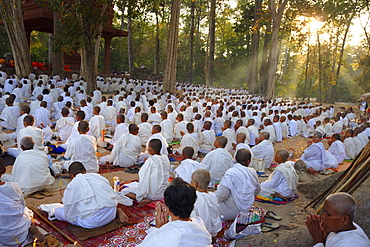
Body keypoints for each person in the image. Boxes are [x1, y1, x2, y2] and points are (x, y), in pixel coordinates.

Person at [137, 178, 212, 247]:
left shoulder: (161, 236)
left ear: (167, 207)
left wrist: (158, 230)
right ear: (192, 204)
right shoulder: (199, 223)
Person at [54, 162, 128, 229]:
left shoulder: (72, 185)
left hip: (91, 223)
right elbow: (110, 193)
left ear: (71, 175)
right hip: (111, 214)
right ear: (85, 170)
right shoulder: (97, 177)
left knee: (57, 211)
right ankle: (117, 210)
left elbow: (69, 209)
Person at [0, 158, 45, 247]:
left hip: (2, 238)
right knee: (25, 210)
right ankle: (31, 227)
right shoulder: (13, 187)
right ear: (4, 170)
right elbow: (22, 206)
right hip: (19, 234)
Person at [305, 192, 369, 247]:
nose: (322, 217)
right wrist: (323, 239)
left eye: (328, 214)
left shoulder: (350, 244)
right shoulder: (344, 227)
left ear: (344, 220)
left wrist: (318, 242)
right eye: (323, 211)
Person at [215, 148, 261, 221]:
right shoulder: (252, 172)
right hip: (246, 208)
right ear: (249, 162)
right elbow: (257, 190)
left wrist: (211, 199)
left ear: (235, 158)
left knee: (206, 206)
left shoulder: (231, 173)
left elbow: (221, 195)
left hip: (232, 211)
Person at [123, 139, 170, 207]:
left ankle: (145, 199)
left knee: (124, 191)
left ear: (153, 150)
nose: (147, 149)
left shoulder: (151, 161)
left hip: (152, 195)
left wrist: (142, 194)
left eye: (149, 147)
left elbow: (143, 176)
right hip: (163, 193)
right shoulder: (165, 159)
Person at [190, 169, 222, 238]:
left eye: (191, 181)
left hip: (199, 233)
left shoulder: (193, 197)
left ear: (196, 184)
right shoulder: (212, 196)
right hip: (213, 232)